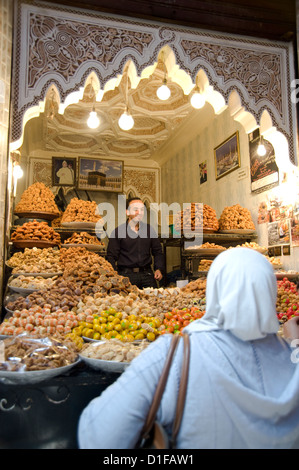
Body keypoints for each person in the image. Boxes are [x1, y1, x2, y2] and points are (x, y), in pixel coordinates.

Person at [78, 247, 299, 449]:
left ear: (213, 289)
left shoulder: (174, 354)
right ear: (270, 291)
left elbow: (98, 437)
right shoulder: (293, 357)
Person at [106, 197, 164, 289]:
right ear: (127, 212)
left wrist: (158, 269)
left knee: (154, 301)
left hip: (147, 275)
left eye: (141, 209)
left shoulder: (149, 230)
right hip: (126, 276)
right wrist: (115, 275)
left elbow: (158, 252)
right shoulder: (118, 232)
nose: (139, 212)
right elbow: (111, 256)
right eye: (135, 209)